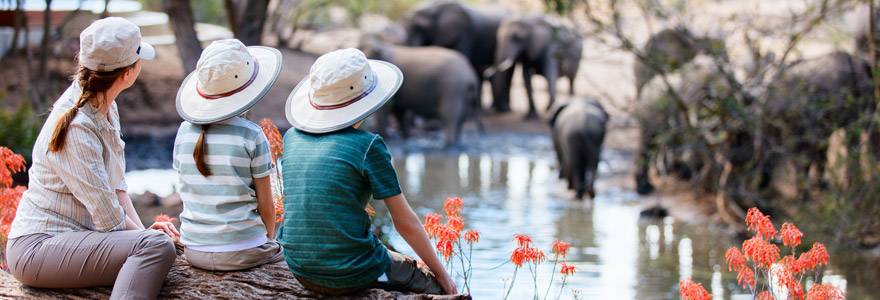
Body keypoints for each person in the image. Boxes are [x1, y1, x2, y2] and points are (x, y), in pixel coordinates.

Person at [5, 17, 178, 299]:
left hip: (72, 242)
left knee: (154, 243)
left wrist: (143, 233)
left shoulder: (105, 106)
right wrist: (147, 239)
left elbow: (117, 187)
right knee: (157, 247)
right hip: (38, 249)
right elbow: (109, 218)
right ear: (127, 73)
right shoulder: (78, 126)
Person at [279, 48, 458, 295]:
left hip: (300, 268)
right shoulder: (367, 145)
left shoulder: (291, 137)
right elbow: (405, 223)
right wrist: (443, 276)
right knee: (433, 285)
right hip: (351, 272)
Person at [172, 39, 285, 271]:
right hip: (243, 250)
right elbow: (266, 205)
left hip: (194, 249)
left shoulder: (183, 131)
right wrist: (268, 241)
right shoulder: (252, 134)